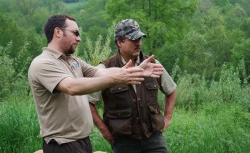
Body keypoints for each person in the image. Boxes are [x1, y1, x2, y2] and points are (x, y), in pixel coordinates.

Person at [28, 15, 164, 153]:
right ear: (58, 32)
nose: (79, 38)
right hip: (62, 143)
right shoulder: (43, 63)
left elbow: (101, 73)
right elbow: (71, 87)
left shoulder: (72, 61)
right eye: (75, 33)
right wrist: (117, 79)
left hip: (82, 141)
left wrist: (136, 70)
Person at [88, 19, 177, 153]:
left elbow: (171, 90)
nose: (139, 43)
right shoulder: (104, 68)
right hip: (124, 141)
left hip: (154, 139)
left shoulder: (152, 64)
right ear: (119, 42)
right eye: (133, 39)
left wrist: (168, 117)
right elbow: (89, 102)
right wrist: (104, 131)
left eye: (140, 38)